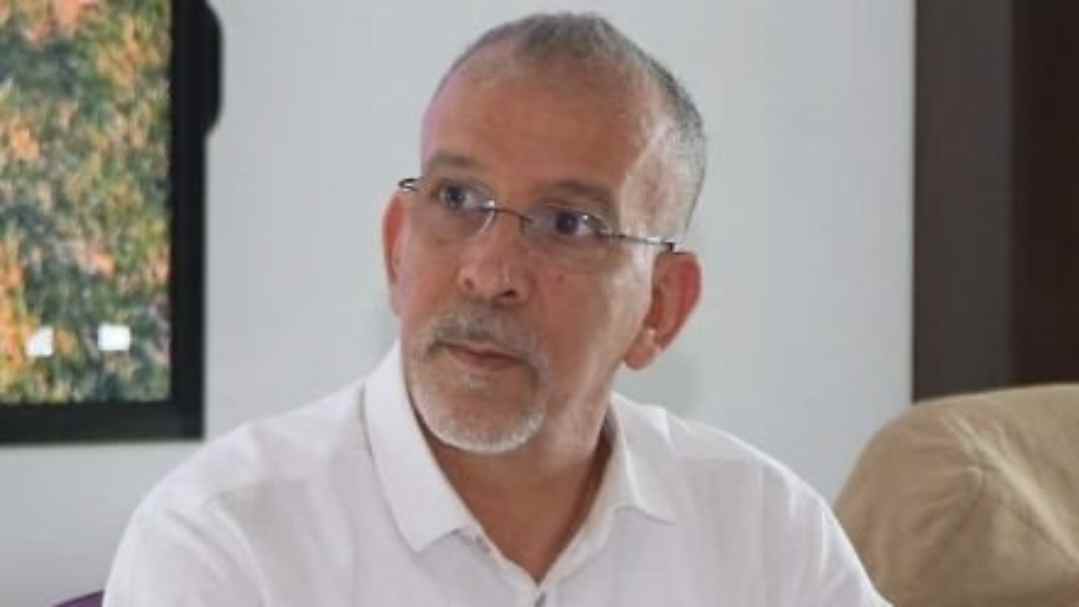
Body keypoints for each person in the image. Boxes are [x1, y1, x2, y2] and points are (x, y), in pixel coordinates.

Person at [105, 12, 889, 606]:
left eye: (568, 223)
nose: (489, 272)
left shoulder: (761, 533)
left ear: (661, 306)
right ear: (397, 246)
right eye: (456, 199)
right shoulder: (228, 541)